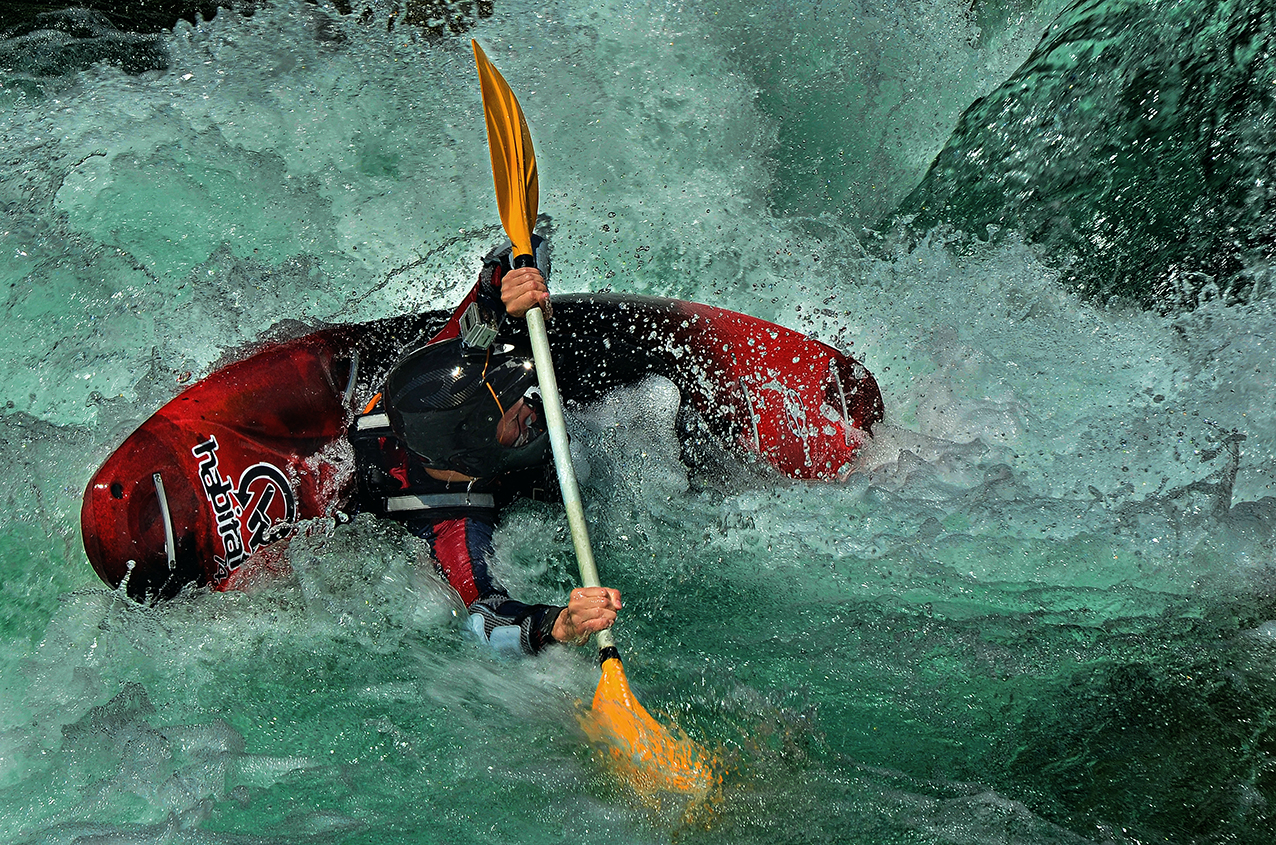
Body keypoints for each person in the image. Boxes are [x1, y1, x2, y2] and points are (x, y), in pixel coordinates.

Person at [350, 236, 621, 657]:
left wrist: (516, 281)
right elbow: (486, 620)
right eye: (514, 420)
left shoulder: (435, 375)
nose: (532, 408)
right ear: (476, 451)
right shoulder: (455, 529)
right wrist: (561, 624)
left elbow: (516, 251)